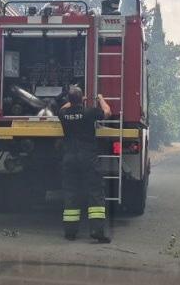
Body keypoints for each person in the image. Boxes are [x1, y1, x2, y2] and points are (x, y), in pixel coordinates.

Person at [57, 86, 112, 242]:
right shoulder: (89, 112)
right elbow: (107, 112)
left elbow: (64, 107)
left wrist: (75, 102)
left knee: (70, 192)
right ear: (81, 99)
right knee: (95, 191)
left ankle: (70, 232)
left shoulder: (63, 114)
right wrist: (100, 98)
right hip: (87, 157)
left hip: (69, 157)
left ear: (69, 100)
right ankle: (96, 231)